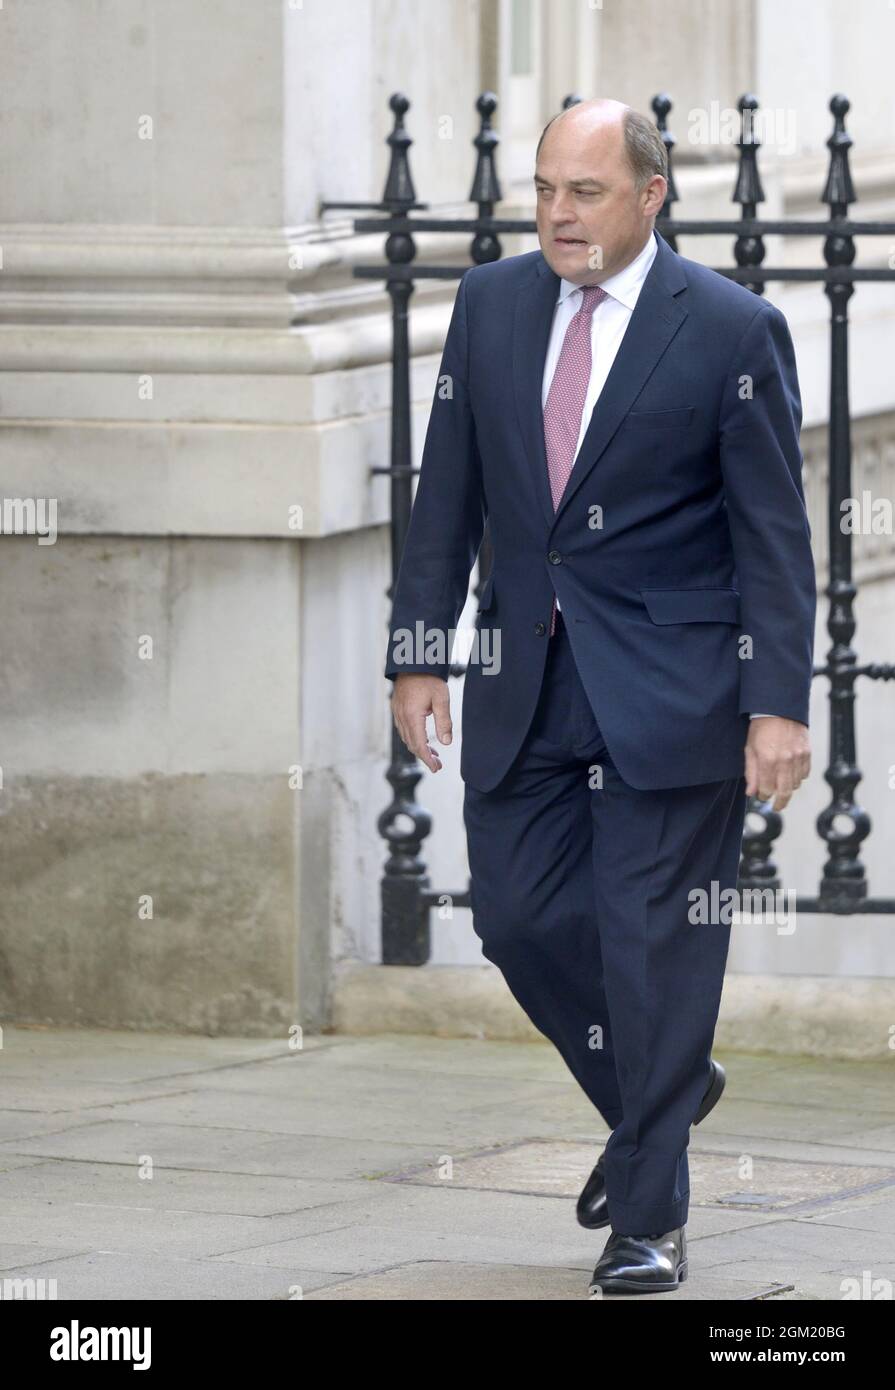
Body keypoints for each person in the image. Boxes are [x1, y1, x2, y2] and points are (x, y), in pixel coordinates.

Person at [384, 98, 815, 1296]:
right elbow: (446, 497)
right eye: (543, 191)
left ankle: (649, 1215)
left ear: (648, 196)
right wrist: (419, 651)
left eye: (582, 193)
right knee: (518, 918)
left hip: (675, 691)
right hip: (525, 680)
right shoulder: (491, 305)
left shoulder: (731, 331)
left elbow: (773, 536)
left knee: (654, 945)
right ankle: (658, 1095)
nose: (557, 216)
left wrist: (776, 702)